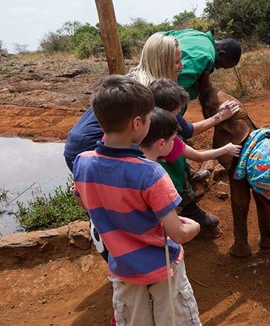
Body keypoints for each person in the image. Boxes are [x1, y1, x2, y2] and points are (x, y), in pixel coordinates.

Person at [73, 75, 201, 326]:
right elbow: (178, 233)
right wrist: (193, 226)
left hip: (122, 270)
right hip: (162, 269)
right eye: (150, 118)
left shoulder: (83, 162)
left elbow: (83, 202)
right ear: (138, 123)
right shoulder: (151, 173)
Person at [148, 78, 240, 226]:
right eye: (175, 112)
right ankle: (188, 208)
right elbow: (197, 156)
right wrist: (225, 149)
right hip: (164, 184)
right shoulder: (170, 140)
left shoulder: (143, 130)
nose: (178, 115)